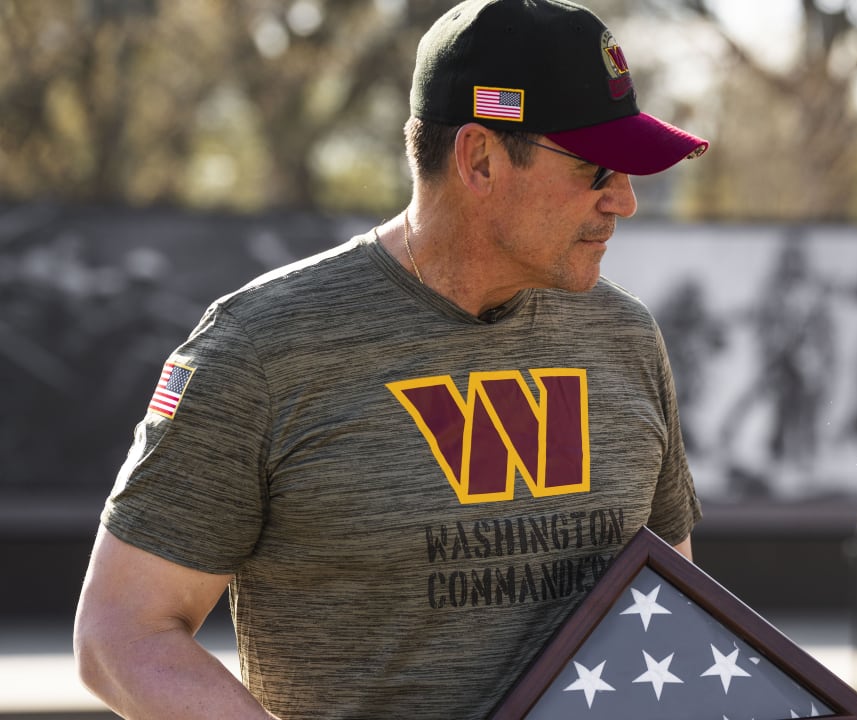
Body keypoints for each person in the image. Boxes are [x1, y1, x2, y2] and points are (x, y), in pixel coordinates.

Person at [73, 1, 708, 718]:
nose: (623, 201)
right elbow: (120, 634)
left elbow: (670, 608)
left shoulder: (624, 335)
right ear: (479, 158)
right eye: (596, 170)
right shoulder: (262, 348)